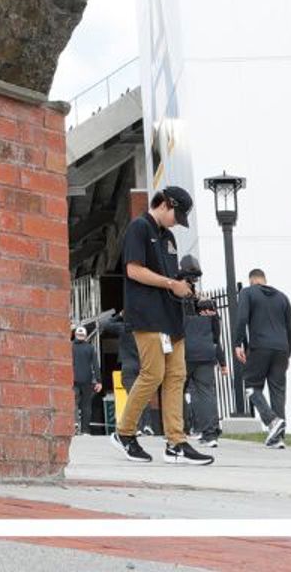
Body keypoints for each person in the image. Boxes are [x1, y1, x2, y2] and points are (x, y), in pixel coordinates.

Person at [114, 185, 213, 465]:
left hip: (172, 316)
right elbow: (133, 270)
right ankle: (125, 432)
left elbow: (165, 273)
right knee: (153, 374)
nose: (176, 223)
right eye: (176, 215)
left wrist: (183, 282)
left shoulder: (168, 236)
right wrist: (171, 283)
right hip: (147, 315)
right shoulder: (139, 228)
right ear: (166, 204)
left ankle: (176, 442)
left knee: (176, 377)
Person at [235, 267, 291, 448]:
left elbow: (242, 317)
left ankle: (272, 421)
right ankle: (278, 437)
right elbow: (290, 327)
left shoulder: (247, 293)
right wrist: (288, 353)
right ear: (264, 279)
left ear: (251, 280)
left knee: (251, 386)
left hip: (260, 346)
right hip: (282, 349)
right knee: (278, 391)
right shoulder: (283, 297)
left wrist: (238, 343)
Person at [178, 255, 225, 447]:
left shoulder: (178, 298)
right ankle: (210, 433)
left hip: (187, 351)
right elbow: (216, 335)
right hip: (206, 353)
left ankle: (180, 429)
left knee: (176, 389)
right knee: (206, 392)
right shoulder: (206, 308)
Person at [71, 323, 102, 436]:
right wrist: (99, 381)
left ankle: (74, 424)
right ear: (85, 336)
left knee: (73, 402)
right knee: (86, 405)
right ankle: (85, 430)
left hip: (72, 380)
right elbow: (95, 364)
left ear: (75, 335)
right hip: (87, 380)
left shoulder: (70, 346)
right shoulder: (90, 348)